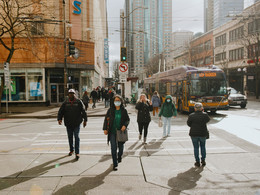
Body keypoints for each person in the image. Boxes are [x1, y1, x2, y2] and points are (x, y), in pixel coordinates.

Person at [57, 89, 87, 161]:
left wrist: (85, 120)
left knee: (76, 137)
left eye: (72, 93)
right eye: (70, 93)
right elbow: (60, 111)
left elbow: (83, 111)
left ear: (75, 94)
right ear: (68, 95)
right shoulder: (65, 102)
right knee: (70, 137)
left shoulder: (79, 102)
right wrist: (59, 119)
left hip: (77, 123)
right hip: (68, 123)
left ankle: (77, 152)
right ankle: (71, 150)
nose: (71, 95)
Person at [103, 95, 130, 171]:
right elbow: (106, 120)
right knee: (113, 147)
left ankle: (119, 156)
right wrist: (105, 129)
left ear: (121, 102)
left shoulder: (124, 111)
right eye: (115, 100)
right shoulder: (110, 110)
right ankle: (115, 164)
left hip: (121, 132)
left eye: (118, 100)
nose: (117, 102)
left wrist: (125, 125)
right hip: (112, 132)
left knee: (121, 147)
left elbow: (127, 119)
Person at [187, 102, 210, 167]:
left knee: (196, 147)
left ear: (195, 109)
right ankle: (203, 160)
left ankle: (197, 161)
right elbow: (208, 120)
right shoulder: (205, 115)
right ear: (202, 108)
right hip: (203, 133)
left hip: (194, 134)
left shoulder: (191, 115)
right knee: (203, 146)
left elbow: (189, 124)